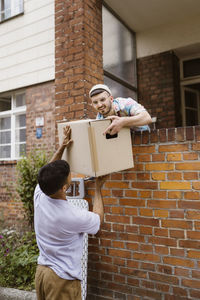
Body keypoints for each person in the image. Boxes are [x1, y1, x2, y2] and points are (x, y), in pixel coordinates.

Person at [34, 125, 107, 300]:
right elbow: (98, 221)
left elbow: (48, 171)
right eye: (69, 175)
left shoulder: (40, 193)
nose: (71, 174)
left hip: (43, 274)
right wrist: (98, 189)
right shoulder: (70, 215)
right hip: (62, 280)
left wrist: (62, 146)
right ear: (64, 187)